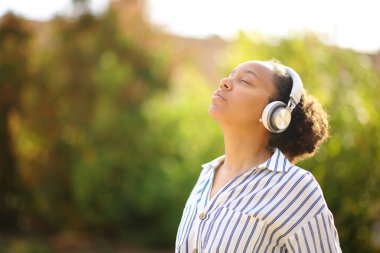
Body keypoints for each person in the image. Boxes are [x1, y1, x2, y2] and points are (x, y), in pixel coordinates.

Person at [175, 59, 342, 253]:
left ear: (276, 113)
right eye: (230, 76)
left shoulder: (295, 187)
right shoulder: (207, 175)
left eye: (245, 81)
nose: (224, 82)